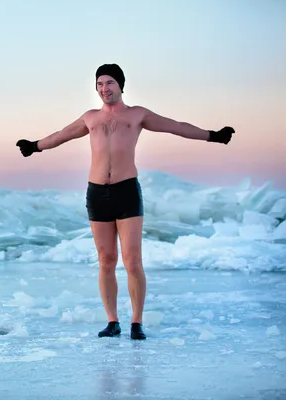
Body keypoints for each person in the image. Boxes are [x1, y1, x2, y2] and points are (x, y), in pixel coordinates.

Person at [16, 64, 234, 340]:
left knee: (133, 261)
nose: (104, 88)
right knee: (106, 260)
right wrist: (35, 146)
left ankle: (136, 322)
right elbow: (61, 135)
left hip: (126, 191)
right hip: (97, 193)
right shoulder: (90, 118)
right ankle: (112, 321)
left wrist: (213, 135)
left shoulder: (137, 115)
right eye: (99, 84)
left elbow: (175, 127)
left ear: (120, 85)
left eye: (109, 83)